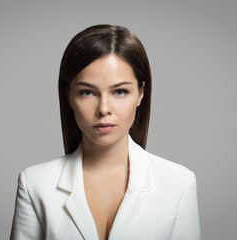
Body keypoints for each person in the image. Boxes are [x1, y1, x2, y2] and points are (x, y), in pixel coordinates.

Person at [10, 24, 201, 240]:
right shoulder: (35, 184)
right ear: (69, 95)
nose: (103, 109)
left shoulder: (179, 183)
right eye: (87, 92)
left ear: (140, 94)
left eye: (120, 91)